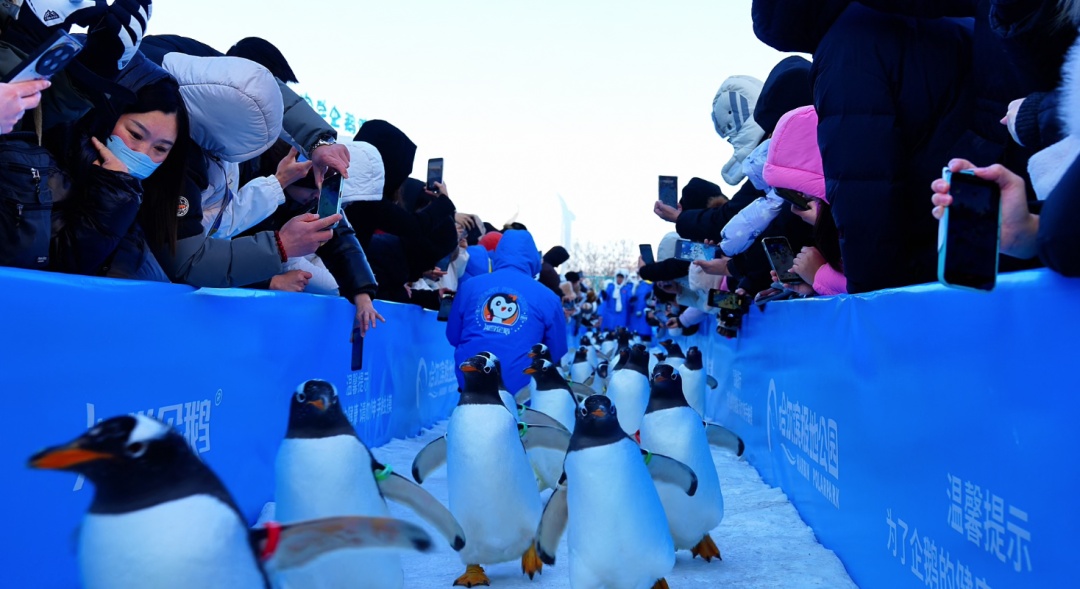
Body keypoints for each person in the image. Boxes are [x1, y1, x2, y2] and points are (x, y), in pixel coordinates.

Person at [46, 57, 188, 281]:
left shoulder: (144, 202)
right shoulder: (43, 170)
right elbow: (60, 270)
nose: (142, 153)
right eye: (135, 134)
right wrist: (114, 193)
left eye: (160, 148)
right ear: (103, 117)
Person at [445, 230, 567, 393]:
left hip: (470, 381)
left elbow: (453, 335)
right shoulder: (548, 297)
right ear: (533, 257)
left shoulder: (470, 286)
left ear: (498, 253)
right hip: (520, 387)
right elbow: (556, 349)